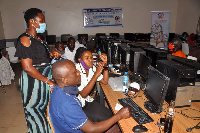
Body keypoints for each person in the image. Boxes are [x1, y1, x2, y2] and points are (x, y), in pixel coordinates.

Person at [49, 59, 131, 133]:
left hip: (76, 127)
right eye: (75, 71)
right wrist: (119, 115)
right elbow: (91, 129)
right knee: (124, 127)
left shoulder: (59, 89)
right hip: (86, 129)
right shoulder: (67, 103)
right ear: (65, 80)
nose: (79, 72)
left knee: (116, 126)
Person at [15, 8, 55, 133]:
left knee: (45, 109)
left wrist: (51, 54)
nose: (44, 23)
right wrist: (48, 81)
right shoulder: (25, 39)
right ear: (32, 21)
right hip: (34, 81)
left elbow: (39, 57)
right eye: (42, 20)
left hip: (42, 78)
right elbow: (27, 67)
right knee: (35, 109)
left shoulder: (38, 38)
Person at [75, 47, 113, 122]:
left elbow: (105, 81)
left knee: (109, 114)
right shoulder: (76, 71)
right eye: (87, 58)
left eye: (91, 57)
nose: (91, 60)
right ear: (80, 60)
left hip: (87, 100)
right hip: (78, 105)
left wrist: (105, 65)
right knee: (105, 119)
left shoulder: (91, 68)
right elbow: (83, 94)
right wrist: (96, 75)